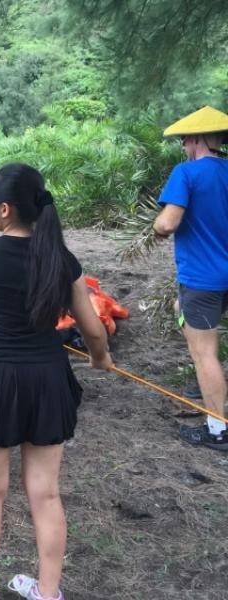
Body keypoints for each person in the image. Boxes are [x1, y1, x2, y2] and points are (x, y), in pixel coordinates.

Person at [0, 164, 112, 600]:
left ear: (3, 210)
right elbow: (93, 329)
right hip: (48, 378)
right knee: (46, 495)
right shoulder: (60, 259)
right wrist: (101, 359)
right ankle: (49, 594)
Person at [153, 106, 228, 451]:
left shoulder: (186, 173)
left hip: (203, 278)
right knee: (181, 308)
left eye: (184, 140)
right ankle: (206, 387)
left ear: (197, 139)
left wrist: (157, 228)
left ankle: (217, 430)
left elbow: (167, 223)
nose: (183, 146)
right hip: (215, 280)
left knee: (204, 353)